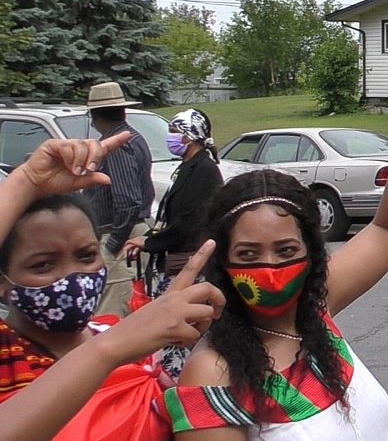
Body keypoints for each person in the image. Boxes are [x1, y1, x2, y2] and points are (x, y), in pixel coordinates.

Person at [168, 85, 388, 440]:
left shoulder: (313, 311)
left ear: (312, 254)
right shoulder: (211, 373)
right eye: (248, 254)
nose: (271, 268)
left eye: (286, 251)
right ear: (223, 262)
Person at [0, 134, 225, 441]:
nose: (73, 278)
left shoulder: (124, 338)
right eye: (43, 264)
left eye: (87, 256)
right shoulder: (9, 356)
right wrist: (25, 181)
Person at [124, 108, 224, 379]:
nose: (170, 137)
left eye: (174, 131)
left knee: (178, 329)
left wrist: (149, 241)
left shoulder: (204, 171)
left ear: (189, 136)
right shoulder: (189, 168)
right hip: (176, 259)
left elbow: (189, 222)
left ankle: (181, 384)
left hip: (188, 263)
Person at [84, 81, 155, 317]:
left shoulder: (116, 145)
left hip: (122, 234)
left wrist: (114, 243)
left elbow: (127, 200)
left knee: (112, 312)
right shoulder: (135, 137)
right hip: (129, 233)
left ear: (94, 116)